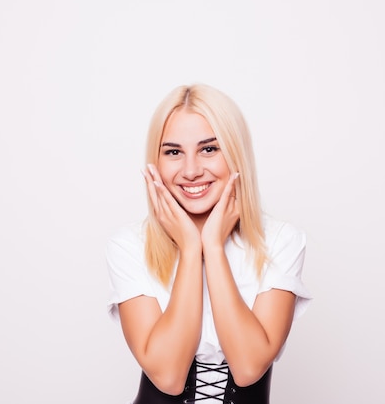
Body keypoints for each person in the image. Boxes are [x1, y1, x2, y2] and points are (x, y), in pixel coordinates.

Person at [106, 84, 311, 404]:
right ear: (155, 163)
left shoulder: (281, 240)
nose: (191, 171)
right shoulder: (129, 245)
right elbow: (169, 377)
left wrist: (213, 248)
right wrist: (190, 248)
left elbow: (248, 368)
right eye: (173, 152)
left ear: (236, 153)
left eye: (209, 149)